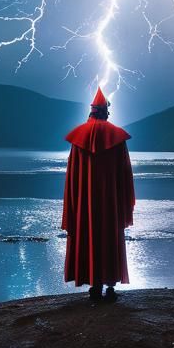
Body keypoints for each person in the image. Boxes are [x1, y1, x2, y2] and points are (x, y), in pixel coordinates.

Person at [61, 86, 135, 301]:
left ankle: (94, 286)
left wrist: (74, 204)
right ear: (105, 111)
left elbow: (73, 177)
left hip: (85, 202)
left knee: (88, 236)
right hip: (110, 202)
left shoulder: (78, 137)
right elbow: (125, 175)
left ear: (92, 111)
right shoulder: (116, 137)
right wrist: (124, 201)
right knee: (109, 237)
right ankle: (110, 287)